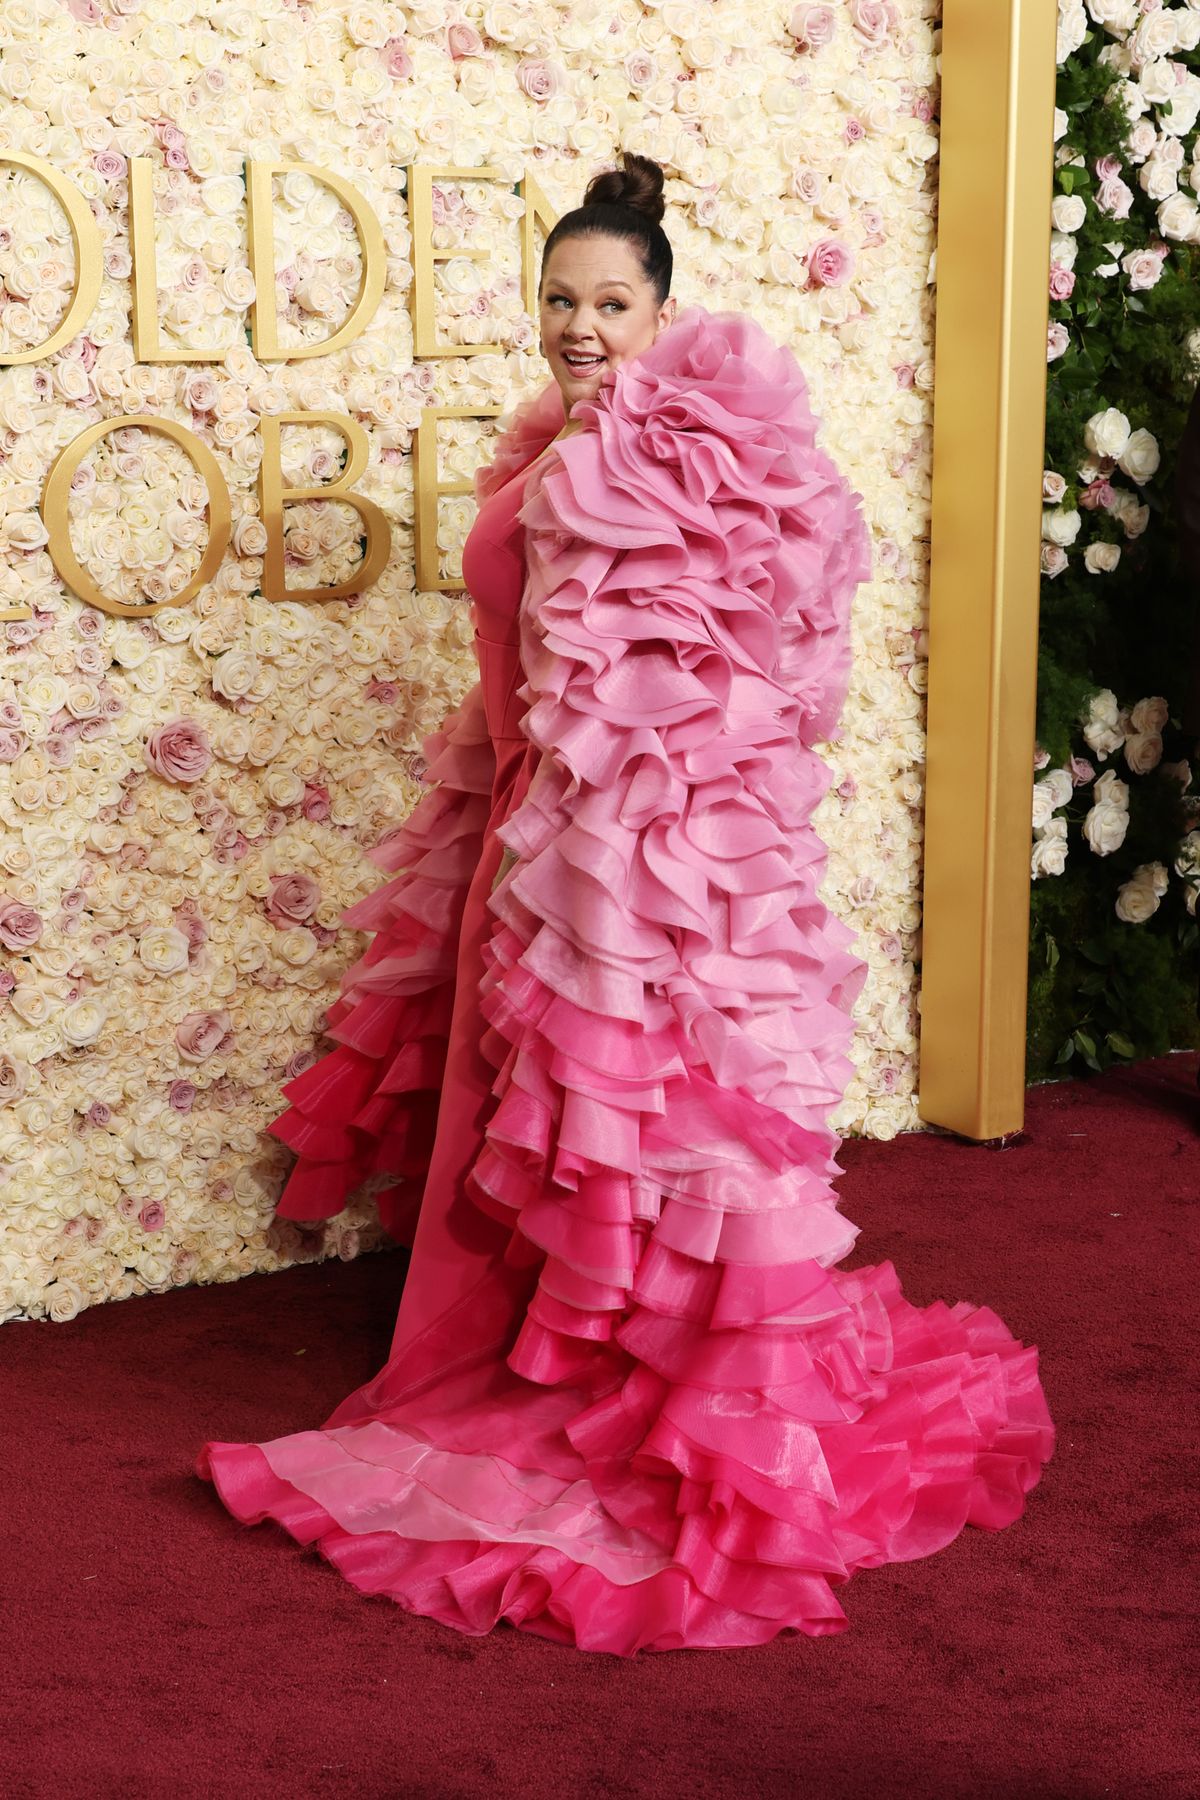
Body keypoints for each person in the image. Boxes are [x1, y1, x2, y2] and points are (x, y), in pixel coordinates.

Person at [199, 153, 1054, 1653]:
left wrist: (630, 869)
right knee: (523, 1130)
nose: (581, 323)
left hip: (605, 862)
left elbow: (717, 674)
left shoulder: (666, 455)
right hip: (529, 839)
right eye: (559, 298)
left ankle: (636, 1379)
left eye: (611, 300)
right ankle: (548, 1337)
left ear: (663, 311)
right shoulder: (558, 445)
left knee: (630, 1129)